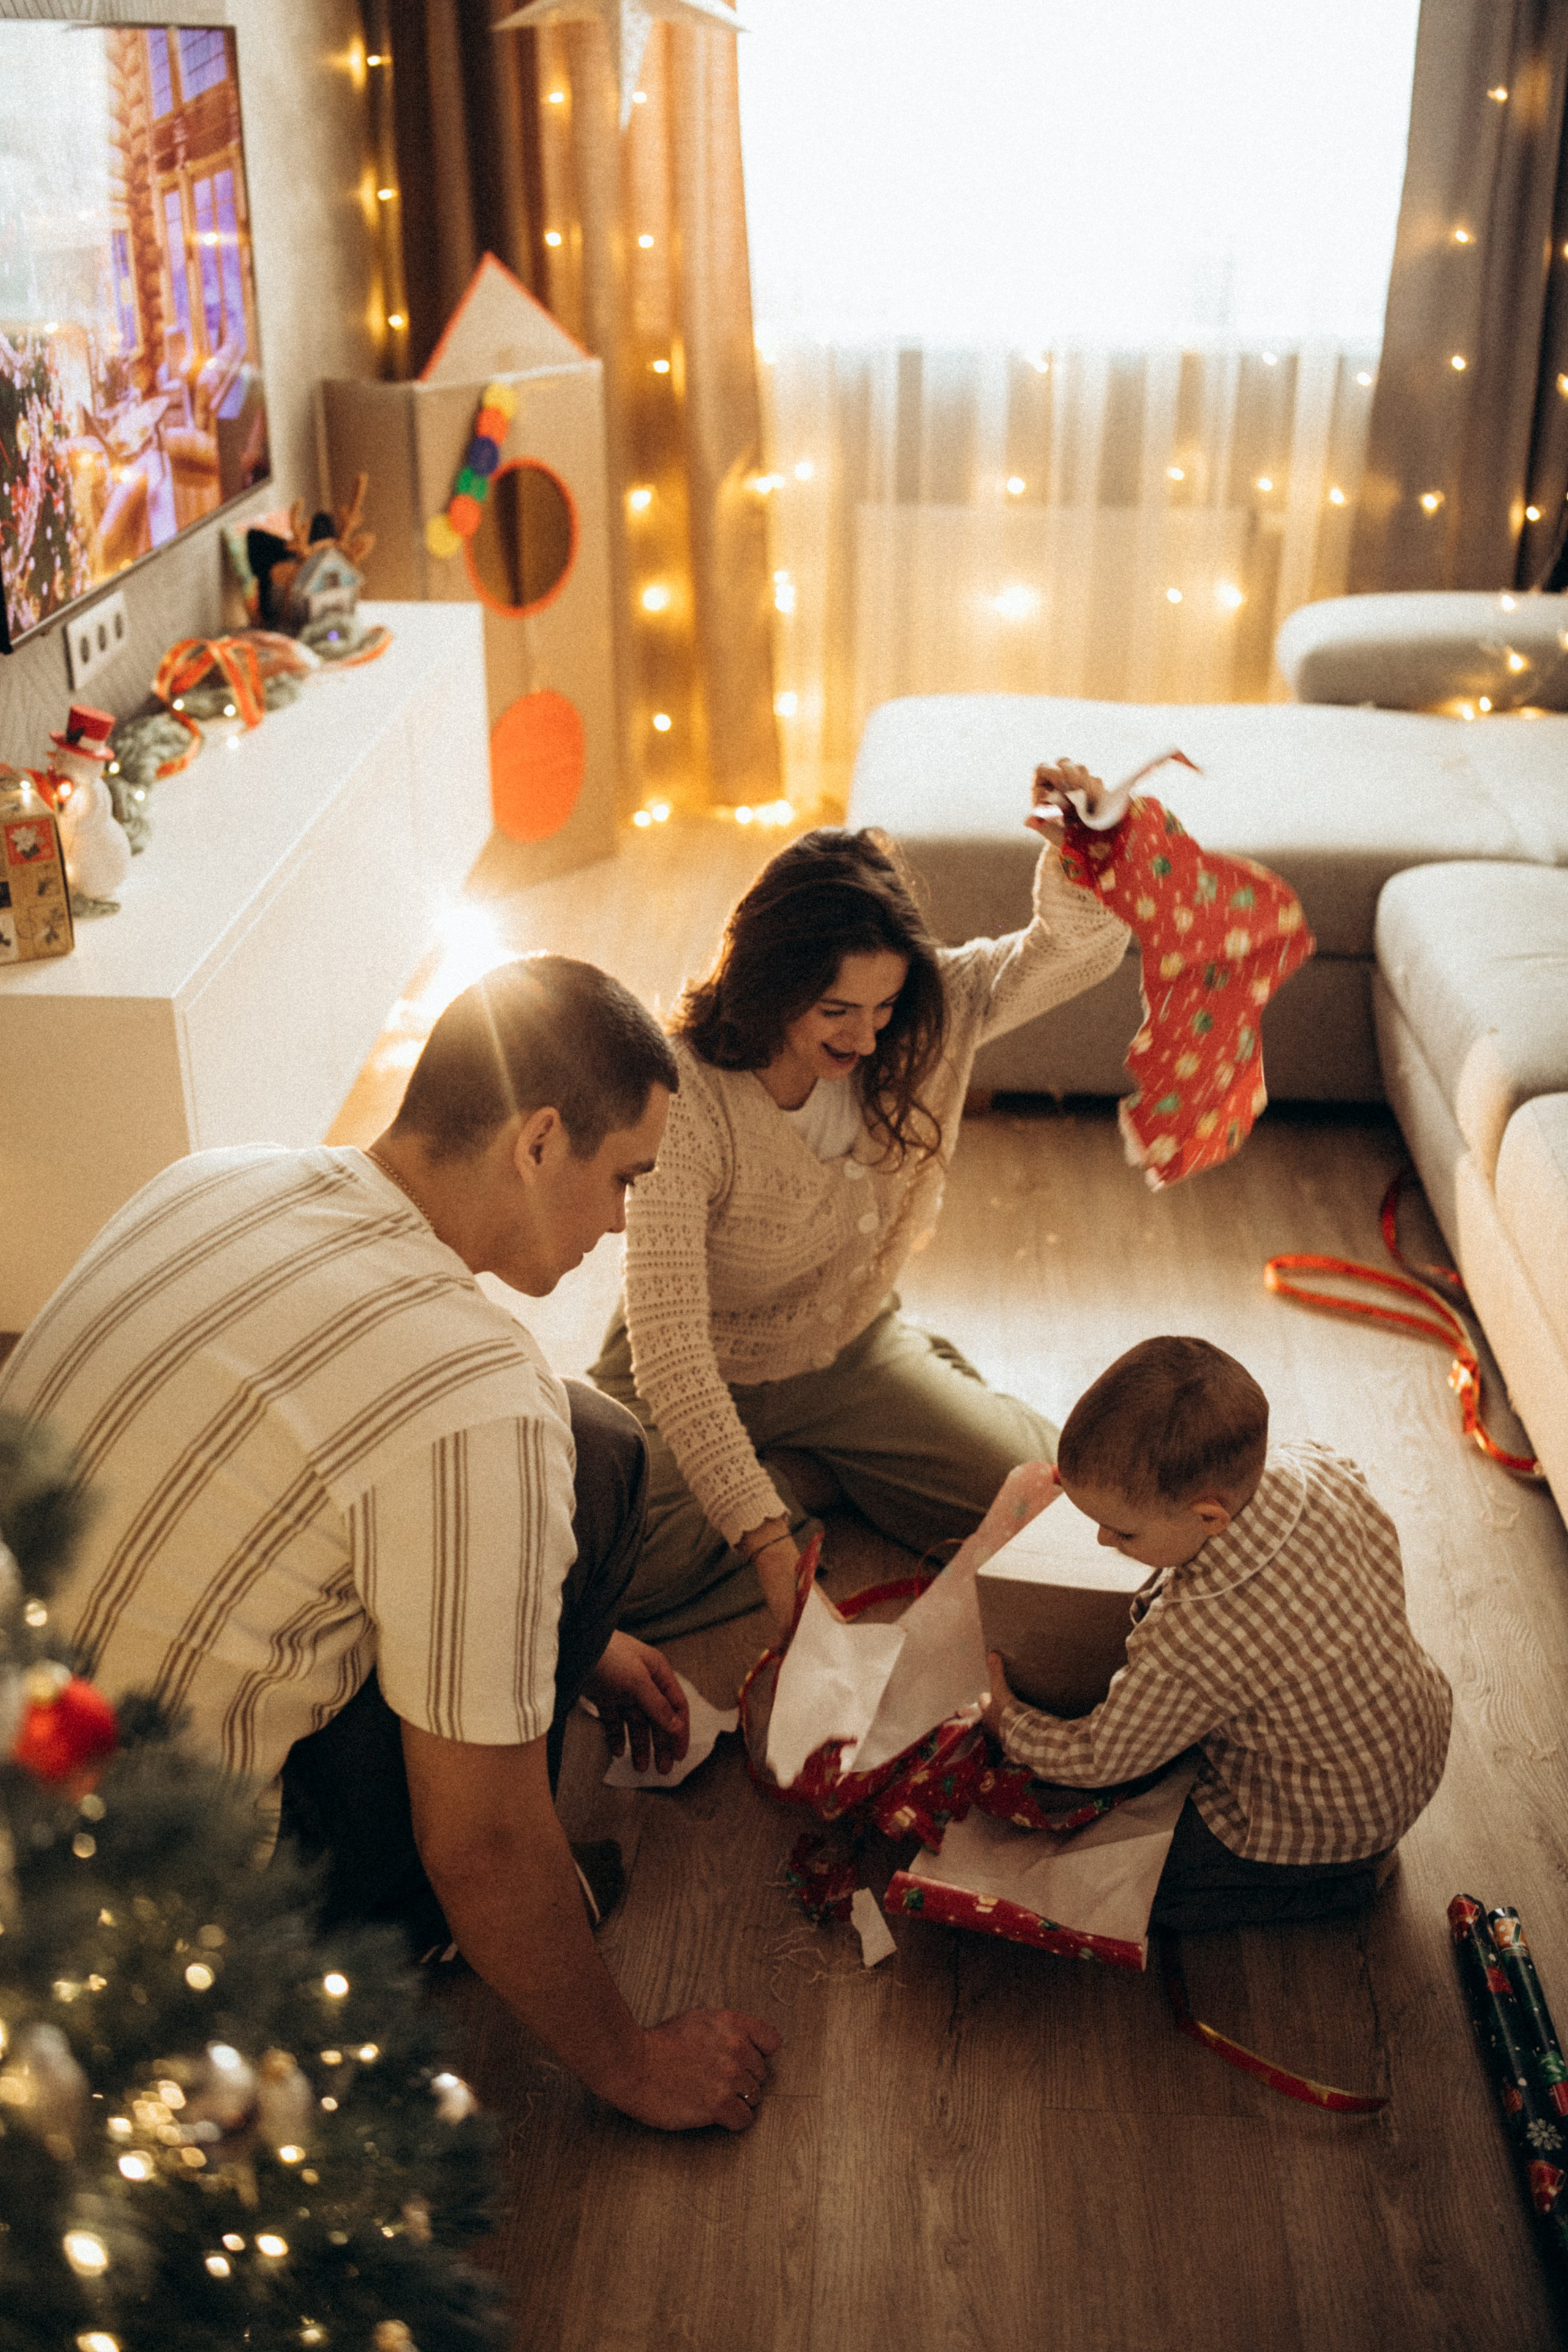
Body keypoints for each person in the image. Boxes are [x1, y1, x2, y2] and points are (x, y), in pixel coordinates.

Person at [0, 955, 779, 2132]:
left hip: (32, 1783)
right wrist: (633, 2065)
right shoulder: (477, 1392)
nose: (624, 1223)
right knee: (597, 1452)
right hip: (149, 1924)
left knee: (579, 1437)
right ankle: (408, 1937)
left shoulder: (214, 1177)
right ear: (536, 1140)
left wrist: (575, 1631)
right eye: (622, 1179)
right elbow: (481, 1840)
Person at [591, 759, 1131, 1642]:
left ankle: (823, 1462)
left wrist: (1084, 860)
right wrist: (769, 1540)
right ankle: (803, 1480)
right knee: (609, 1568)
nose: (868, 1035)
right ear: (770, 983)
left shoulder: (926, 1017)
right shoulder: (685, 1093)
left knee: (1056, 1525)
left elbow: (1070, 956)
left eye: (885, 1006)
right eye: (838, 1009)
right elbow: (672, 1352)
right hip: (696, 1364)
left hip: (848, 1350)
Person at [980, 1335, 1453, 1929]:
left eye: (1121, 1532)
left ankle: (1343, 1887)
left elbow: (1100, 1757)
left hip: (1324, 1829)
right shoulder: (1317, 1465)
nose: (1103, 1542)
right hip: (1414, 1741)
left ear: (1209, 1516)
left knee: (1125, 1884)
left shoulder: (1192, 1637)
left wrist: (1009, 1722)